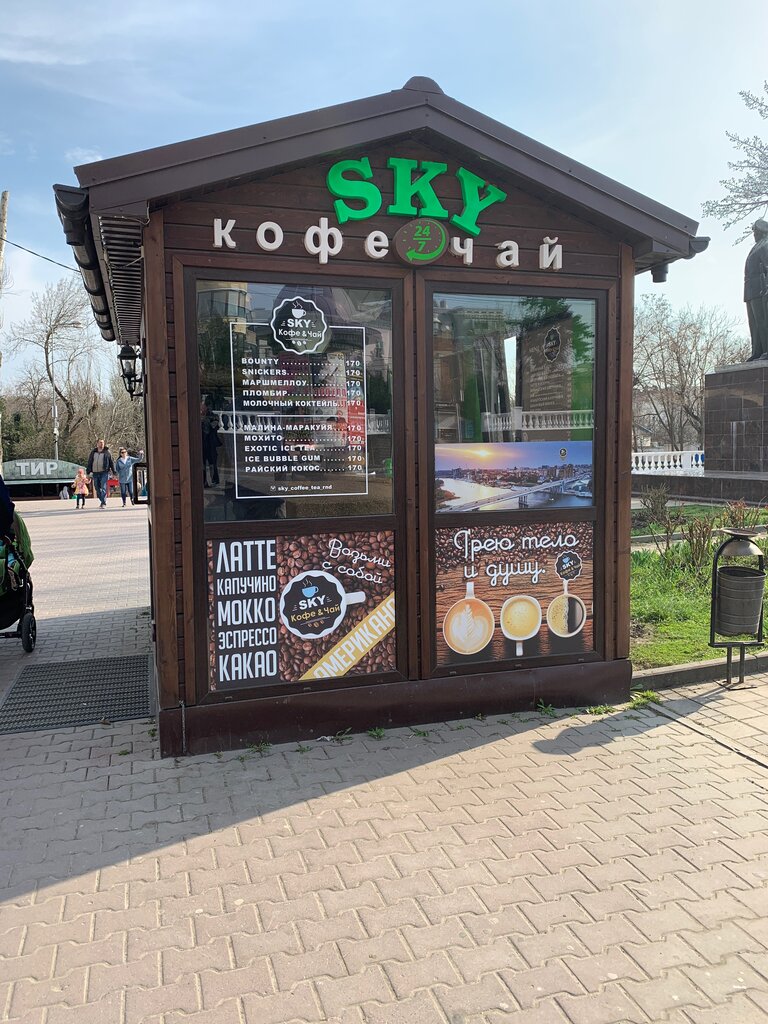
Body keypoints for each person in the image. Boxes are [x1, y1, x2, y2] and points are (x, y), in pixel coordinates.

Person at [744, 219, 768, 361]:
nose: (754, 235)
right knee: (754, 323)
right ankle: (757, 351)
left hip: (761, 288)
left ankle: (766, 350)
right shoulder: (756, 246)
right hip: (751, 290)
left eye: (756, 232)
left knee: (763, 320)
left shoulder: (765, 245)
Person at [86, 439, 116, 509]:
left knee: (103, 487)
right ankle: (102, 500)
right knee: (97, 487)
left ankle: (103, 503)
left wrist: (114, 472)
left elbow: (111, 462)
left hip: (104, 472)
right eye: (100, 442)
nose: (102, 444)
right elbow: (90, 462)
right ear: (97, 444)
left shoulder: (107, 452)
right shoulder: (93, 452)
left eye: (103, 442)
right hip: (95, 473)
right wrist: (88, 472)